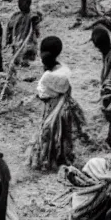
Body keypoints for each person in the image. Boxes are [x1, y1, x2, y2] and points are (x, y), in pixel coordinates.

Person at [28, 37, 86, 171]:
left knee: (48, 134)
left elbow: (42, 94)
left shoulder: (47, 76)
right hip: (65, 107)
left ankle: (47, 160)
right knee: (63, 134)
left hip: (53, 108)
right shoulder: (65, 69)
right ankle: (63, 157)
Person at [5, 0, 41, 65]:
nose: (19, 4)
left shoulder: (33, 16)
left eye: (21, 2)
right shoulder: (15, 15)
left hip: (28, 42)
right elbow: (9, 28)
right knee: (17, 51)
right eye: (18, 2)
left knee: (26, 51)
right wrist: (8, 40)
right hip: (17, 40)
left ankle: (26, 59)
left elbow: (37, 29)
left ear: (28, 4)